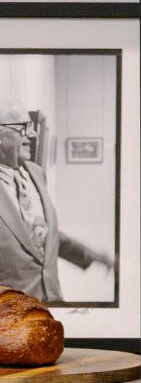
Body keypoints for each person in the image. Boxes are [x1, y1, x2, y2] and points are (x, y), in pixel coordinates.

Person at [0, 100, 114, 303]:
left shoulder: (35, 173)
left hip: (53, 302)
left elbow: (44, 235)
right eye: (24, 128)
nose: (33, 135)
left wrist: (95, 256)